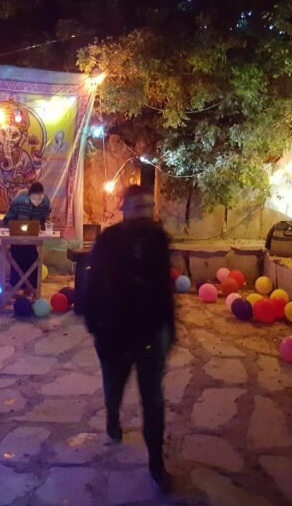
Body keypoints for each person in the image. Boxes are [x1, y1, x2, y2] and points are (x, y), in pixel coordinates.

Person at [84, 185, 175, 492]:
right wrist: (94, 324)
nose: (143, 214)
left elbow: (165, 285)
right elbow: (93, 283)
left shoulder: (158, 240)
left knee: (153, 398)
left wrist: (169, 327)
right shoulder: (108, 241)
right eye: (137, 207)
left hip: (150, 333)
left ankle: (156, 462)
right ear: (124, 209)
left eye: (148, 207)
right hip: (115, 332)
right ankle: (112, 416)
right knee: (114, 389)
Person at [2, 182, 51, 296]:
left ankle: (31, 288)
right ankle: (16, 287)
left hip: (33, 239)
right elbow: (7, 220)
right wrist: (14, 227)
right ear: (29, 195)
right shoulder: (18, 202)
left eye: (39, 197)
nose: (37, 200)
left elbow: (44, 221)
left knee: (33, 258)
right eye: (34, 198)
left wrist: (42, 227)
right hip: (17, 238)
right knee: (17, 256)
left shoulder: (46, 204)